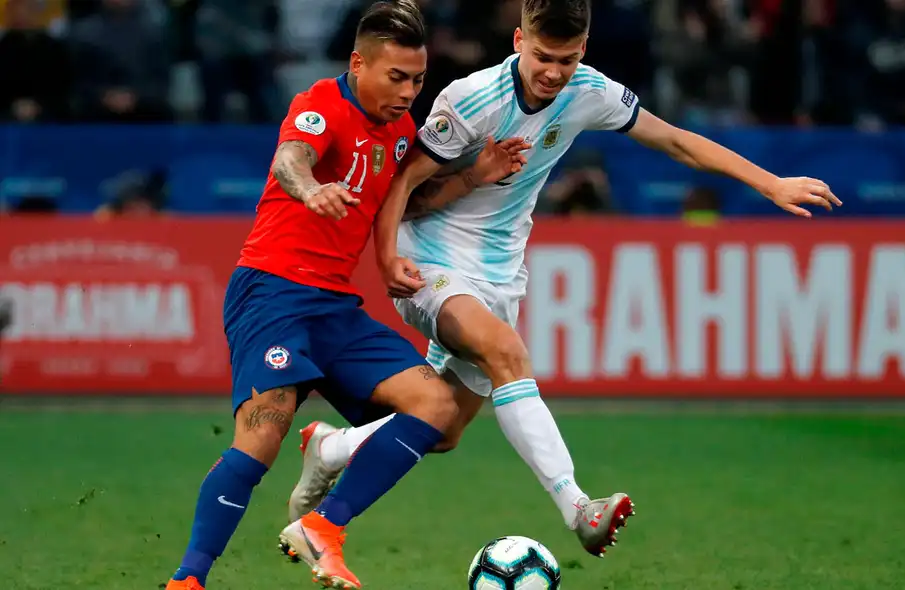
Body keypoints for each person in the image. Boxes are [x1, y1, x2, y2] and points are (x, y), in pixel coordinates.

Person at [286, 0, 842, 561]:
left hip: (501, 275)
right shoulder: (471, 99)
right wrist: (388, 261)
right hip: (431, 262)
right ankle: (579, 509)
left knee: (444, 428)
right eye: (544, 56)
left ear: (584, 51)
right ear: (518, 41)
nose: (554, 72)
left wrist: (769, 182)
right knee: (507, 354)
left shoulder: (590, 91)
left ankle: (334, 446)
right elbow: (402, 186)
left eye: (568, 59)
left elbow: (674, 139)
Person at [164, 2, 528, 589]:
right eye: (396, 77)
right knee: (260, 441)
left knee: (435, 410)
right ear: (358, 64)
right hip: (272, 292)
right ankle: (188, 581)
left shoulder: (400, 131)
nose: (410, 91)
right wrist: (310, 190)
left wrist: (472, 175)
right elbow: (291, 160)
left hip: (334, 307)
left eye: (418, 79)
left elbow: (404, 203)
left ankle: (325, 526)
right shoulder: (320, 105)